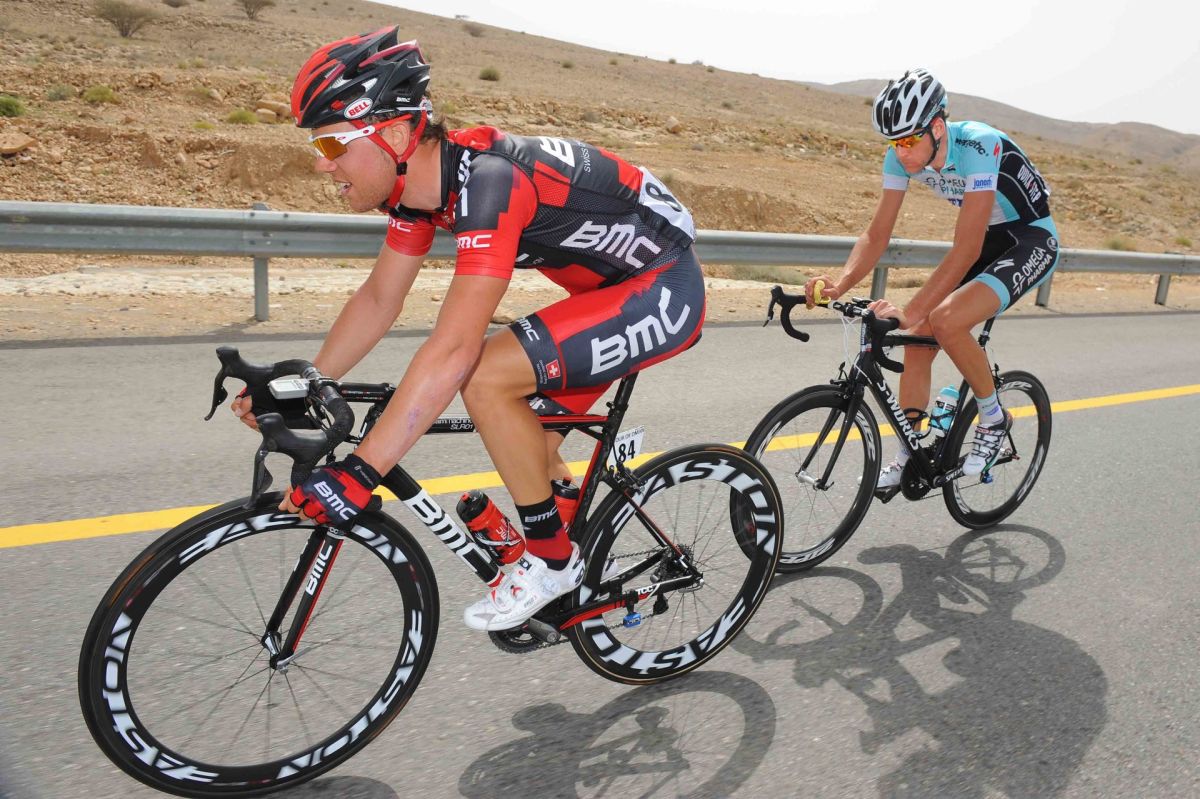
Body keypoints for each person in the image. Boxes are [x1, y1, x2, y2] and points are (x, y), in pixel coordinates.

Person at [231, 26, 705, 631]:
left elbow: (454, 348)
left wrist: (360, 473)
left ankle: (553, 563)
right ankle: (575, 564)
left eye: (330, 144)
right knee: (529, 447)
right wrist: (306, 383)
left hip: (663, 288)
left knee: (484, 376)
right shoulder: (417, 194)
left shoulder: (490, 182)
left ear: (394, 133)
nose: (323, 164)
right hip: (605, 294)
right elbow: (379, 299)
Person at [804, 68, 1059, 486]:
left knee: (945, 320)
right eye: (894, 142)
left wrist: (910, 310)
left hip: (1029, 240)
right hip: (988, 241)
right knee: (918, 342)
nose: (901, 152)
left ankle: (994, 419)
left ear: (937, 128)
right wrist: (841, 284)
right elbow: (877, 234)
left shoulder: (979, 144)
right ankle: (910, 452)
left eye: (909, 141)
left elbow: (966, 249)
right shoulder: (900, 157)